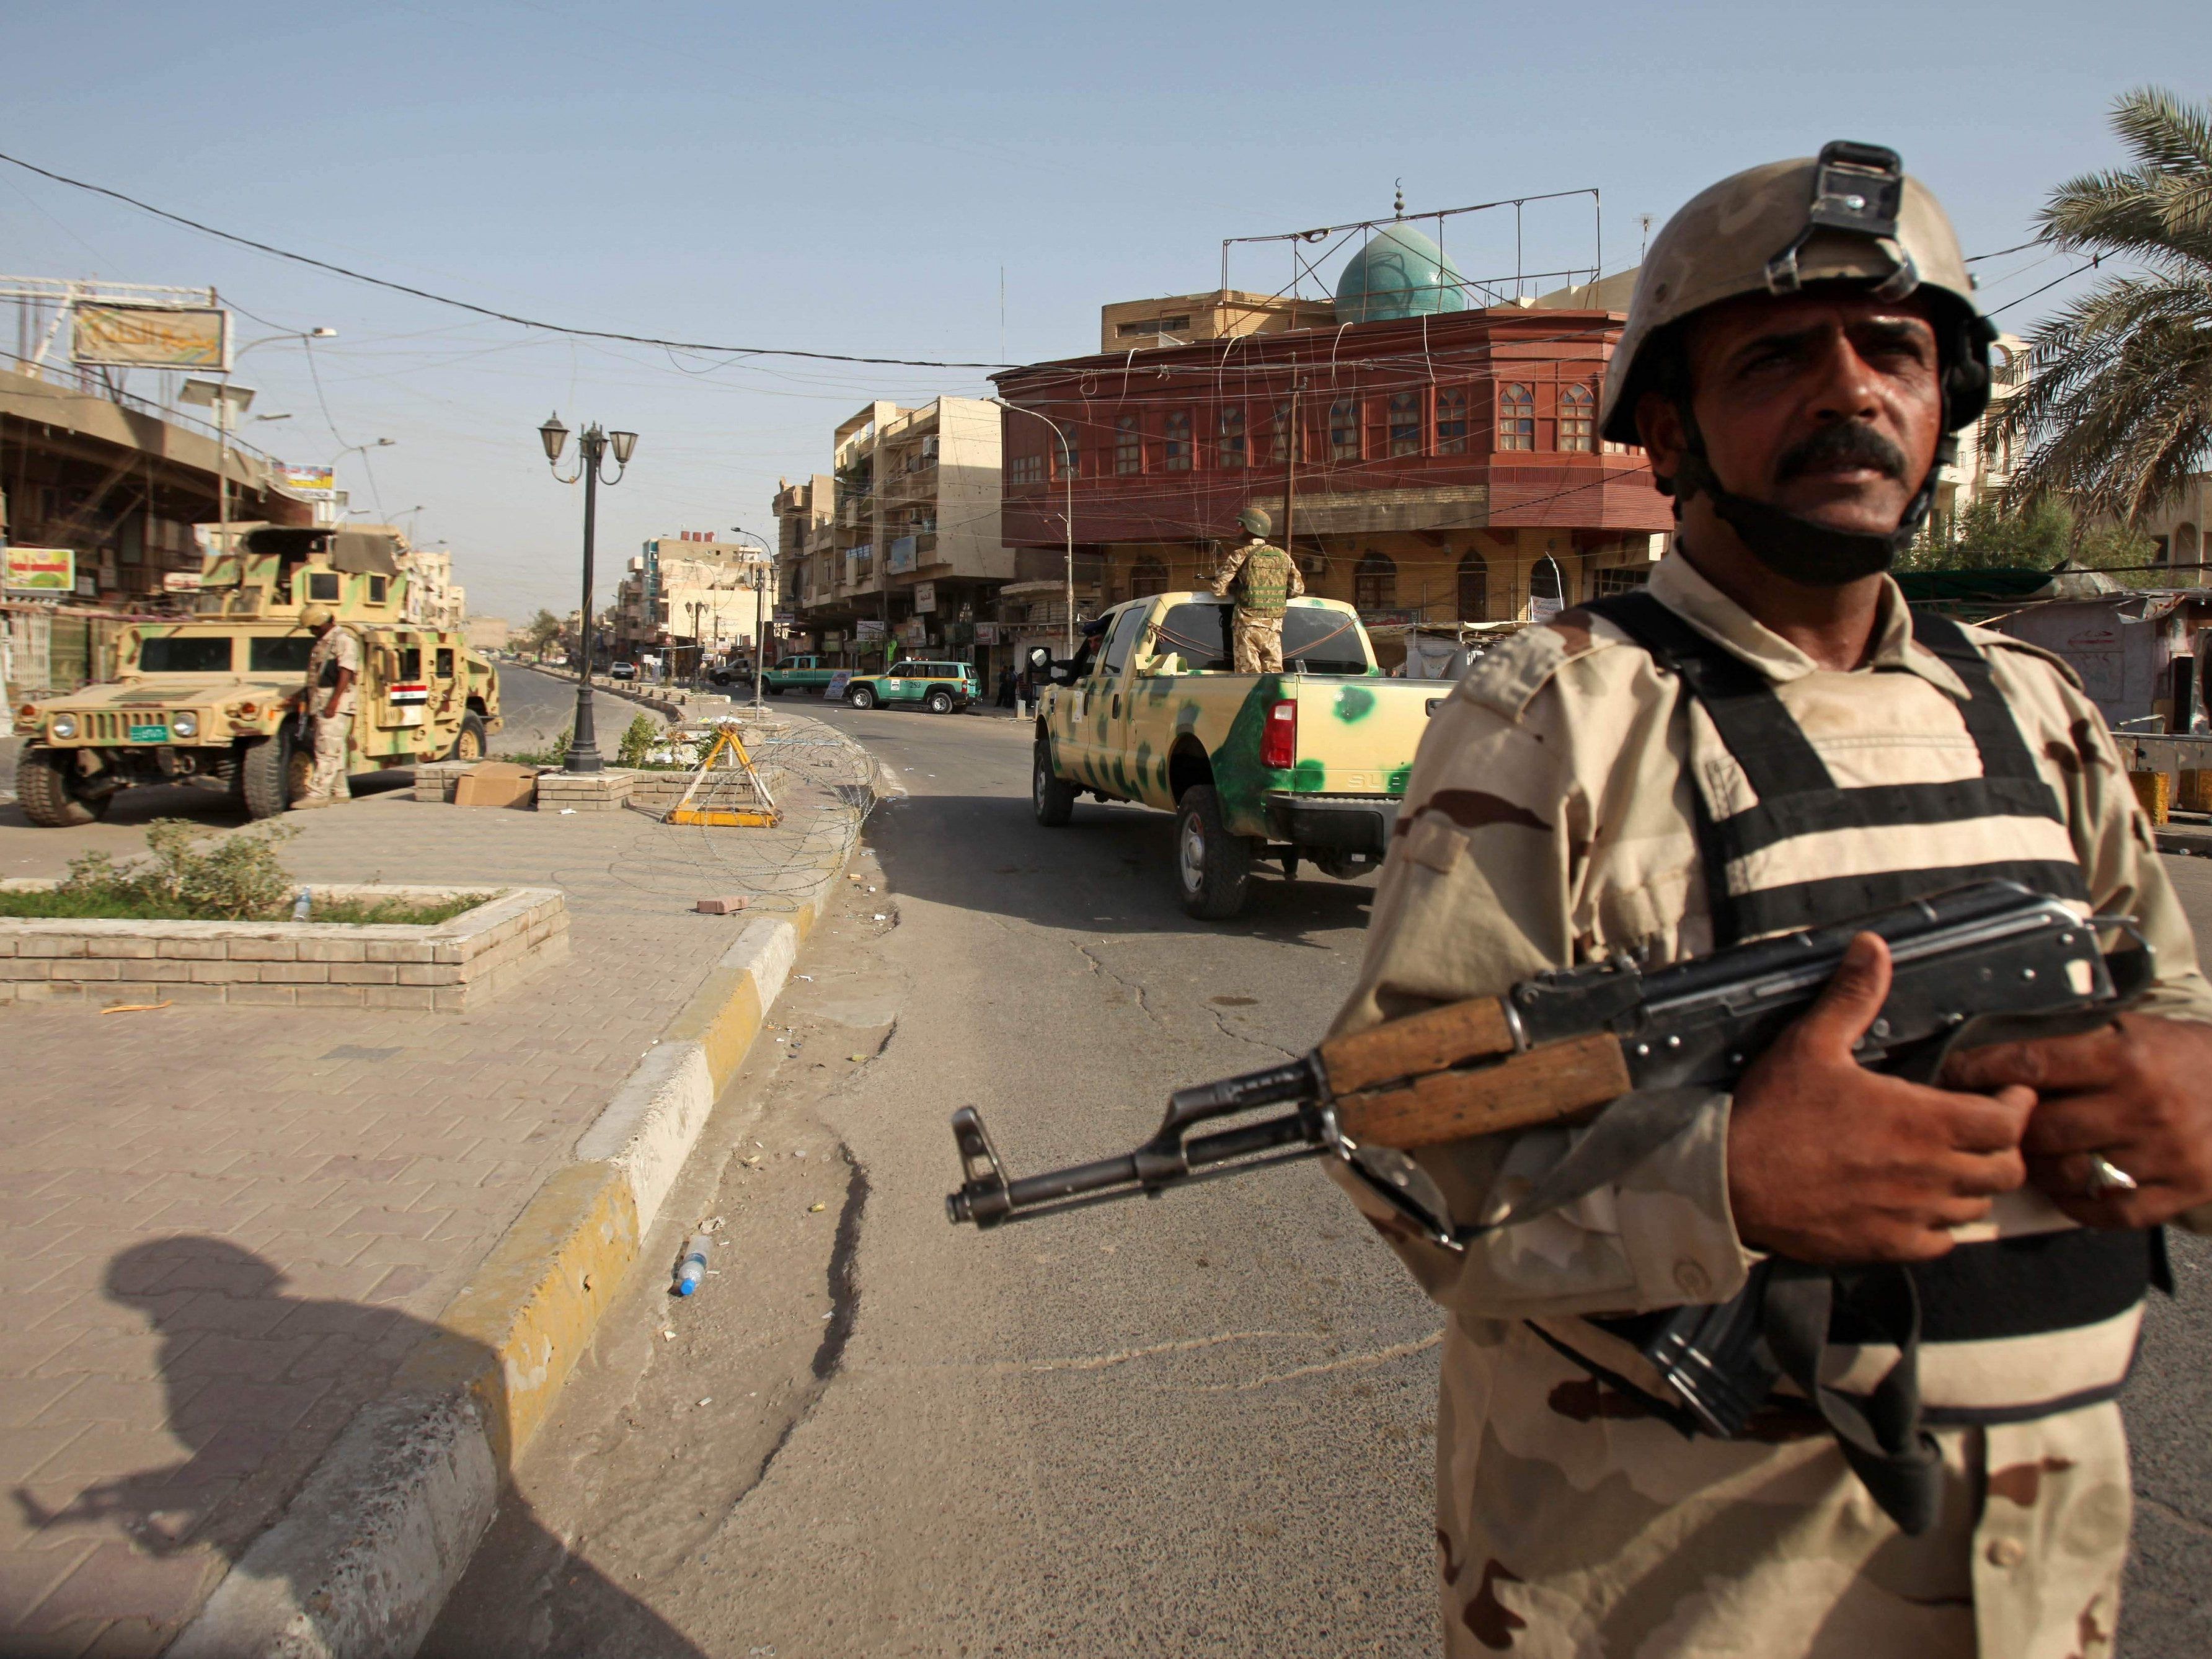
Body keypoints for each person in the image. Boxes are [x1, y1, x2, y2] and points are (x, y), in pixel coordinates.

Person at [1327, 143, 2212, 1658]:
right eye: (1776, 358)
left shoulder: (2040, 711)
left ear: (1948, 402)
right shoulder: (1557, 719)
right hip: (1691, 1595)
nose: (1849, 391)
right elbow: (1399, 1135)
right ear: (1665, 429)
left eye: (1893, 351)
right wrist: (1724, 1180)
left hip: (2041, 1568)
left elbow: (2165, 1006)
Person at [1209, 505, 1303, 671]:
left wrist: (1235, 589)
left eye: (1241, 525)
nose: (1237, 529)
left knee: (1249, 678)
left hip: (1247, 625)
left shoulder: (1240, 555)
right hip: (1273, 625)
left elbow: (1218, 590)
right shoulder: (1283, 556)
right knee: (1274, 677)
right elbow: (1297, 589)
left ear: (1252, 528)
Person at [288, 602, 358, 810]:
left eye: (314, 628)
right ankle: (340, 791)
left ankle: (319, 794)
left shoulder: (343, 640)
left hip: (334, 702)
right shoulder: (325, 642)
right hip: (323, 700)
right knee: (335, 748)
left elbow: (346, 671)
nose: (313, 632)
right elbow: (317, 676)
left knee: (326, 749)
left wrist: (334, 701)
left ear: (322, 624)